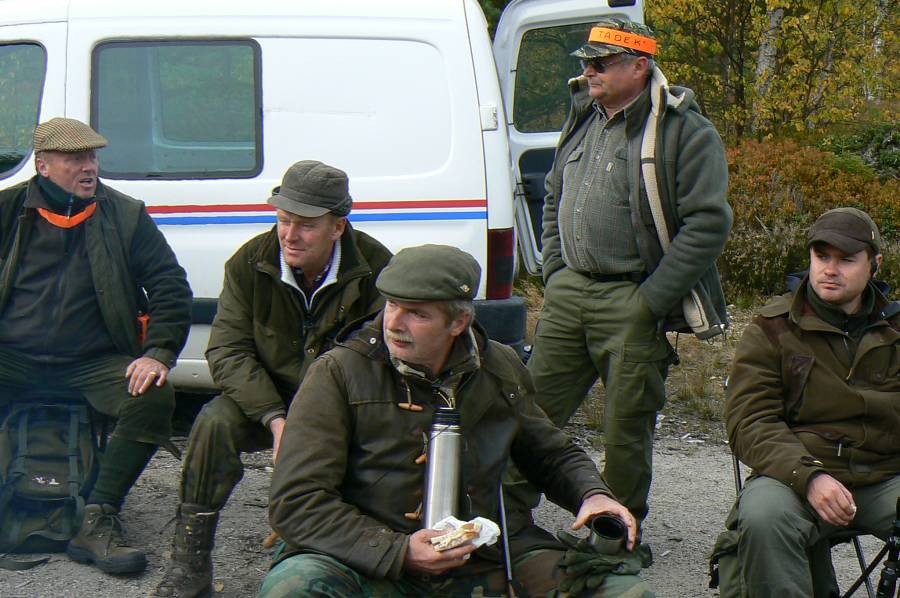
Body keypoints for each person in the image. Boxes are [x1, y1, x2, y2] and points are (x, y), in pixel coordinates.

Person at [258, 244, 653, 597]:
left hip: (486, 558)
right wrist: (398, 551)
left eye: (417, 313)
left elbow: (549, 453)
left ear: (458, 322)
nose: (394, 323)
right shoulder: (339, 371)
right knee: (294, 587)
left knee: (623, 592)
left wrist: (592, 494)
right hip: (368, 558)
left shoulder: (499, 367)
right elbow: (297, 501)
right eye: (391, 305)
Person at [152, 161, 392, 598]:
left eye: (306, 225)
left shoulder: (377, 270)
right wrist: (275, 420)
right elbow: (227, 350)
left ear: (338, 226)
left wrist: (313, 424)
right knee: (214, 423)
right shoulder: (249, 262)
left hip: (343, 401)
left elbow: (380, 361)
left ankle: (331, 553)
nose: (289, 235)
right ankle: (189, 562)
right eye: (283, 221)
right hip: (271, 395)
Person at [526, 16, 732, 522]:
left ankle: (614, 541)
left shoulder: (685, 131)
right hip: (568, 293)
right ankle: (506, 525)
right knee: (528, 415)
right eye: (587, 63)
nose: (589, 71)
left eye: (601, 63)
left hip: (632, 298)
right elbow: (554, 195)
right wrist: (555, 270)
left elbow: (708, 224)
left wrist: (650, 301)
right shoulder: (584, 117)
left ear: (639, 66)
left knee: (625, 433)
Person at [0, 118, 192, 574]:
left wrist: (158, 353)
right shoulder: (7, 209)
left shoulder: (125, 216)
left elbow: (170, 287)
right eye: (75, 159)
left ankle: (98, 515)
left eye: (92, 157)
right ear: (43, 166)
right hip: (13, 357)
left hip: (92, 362)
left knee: (152, 396)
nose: (89, 167)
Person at [724, 208, 899, 596]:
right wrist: (810, 477)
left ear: (875, 264)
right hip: (798, 475)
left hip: (884, 476)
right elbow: (749, 421)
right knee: (764, 517)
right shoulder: (772, 328)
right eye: (821, 257)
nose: (829, 270)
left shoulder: (896, 329)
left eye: (846, 260)